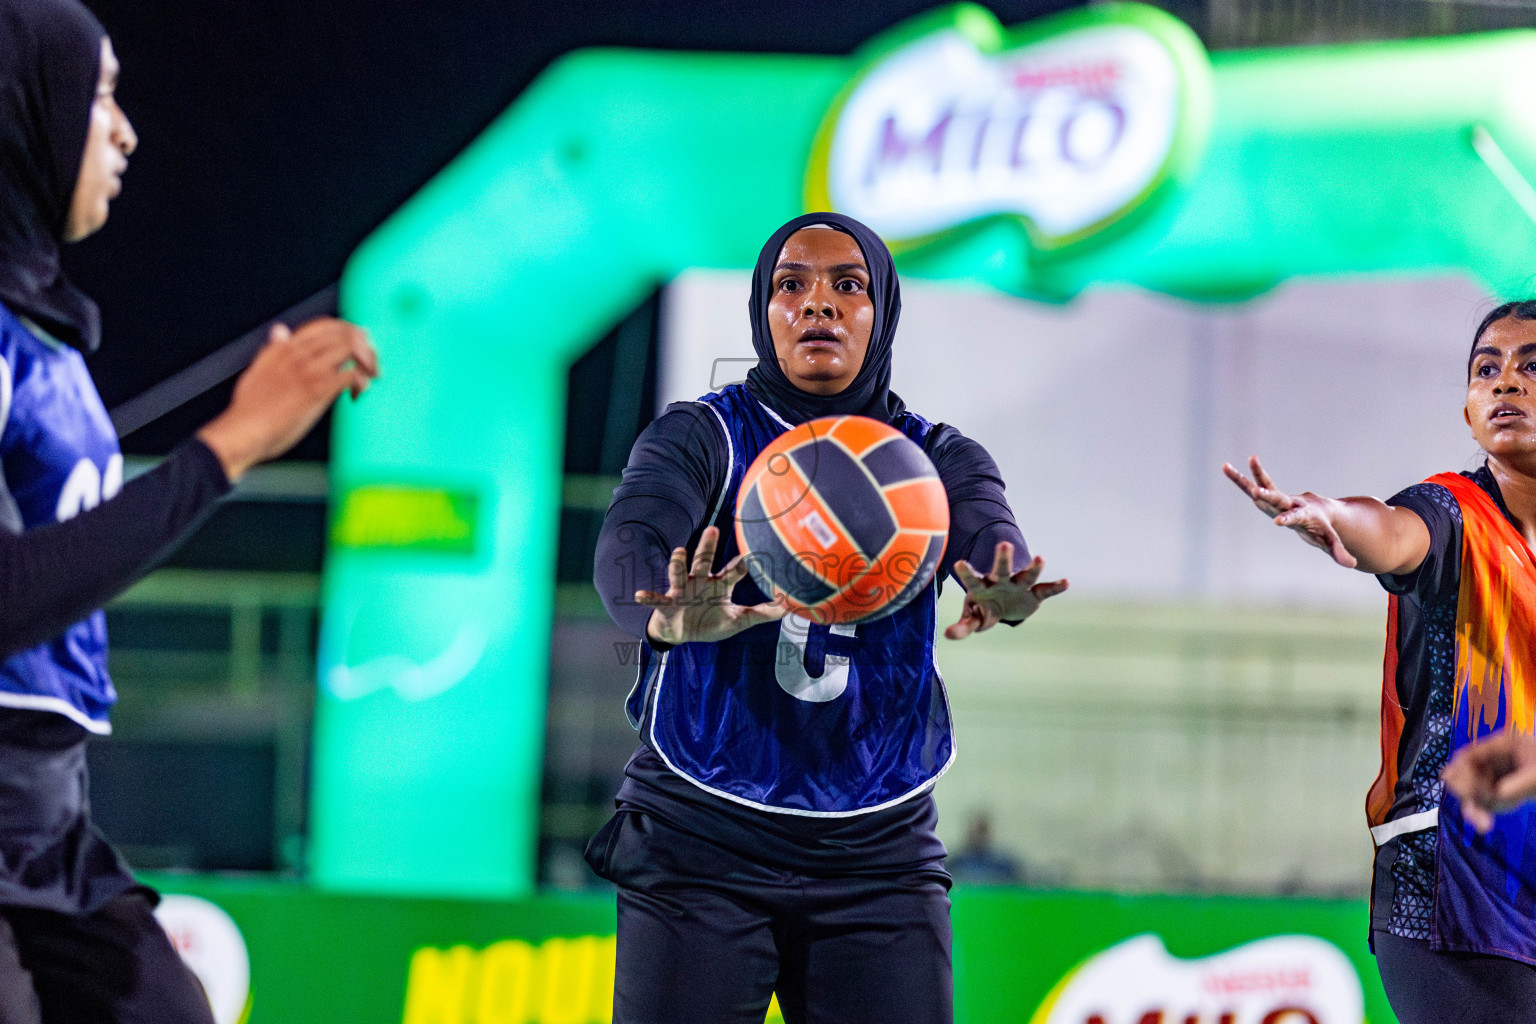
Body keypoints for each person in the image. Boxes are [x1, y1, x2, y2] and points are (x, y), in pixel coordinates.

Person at [587, 212, 1066, 1024]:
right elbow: (630, 538)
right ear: (761, 312)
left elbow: (987, 525)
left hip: (877, 852)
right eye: (791, 285)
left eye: (848, 286)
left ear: (882, 312)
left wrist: (1000, 578)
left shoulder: (933, 457)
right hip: (699, 839)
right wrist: (659, 611)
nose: (819, 305)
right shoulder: (705, 437)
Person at [0, 0, 378, 1018]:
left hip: (49, 822)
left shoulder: (45, 337)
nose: (124, 129)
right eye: (100, 95)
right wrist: (232, 446)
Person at [1224, 300, 1536, 1023]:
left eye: (1530, 367)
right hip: (1450, 893)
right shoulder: (1453, 512)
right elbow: (1392, 532)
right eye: (1487, 369)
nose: (1506, 383)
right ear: (1467, 410)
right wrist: (1332, 516)